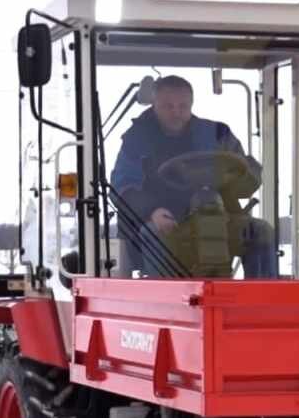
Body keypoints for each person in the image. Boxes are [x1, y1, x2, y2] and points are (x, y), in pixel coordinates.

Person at [110, 75, 277, 278]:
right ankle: (166, 302)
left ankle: (261, 299)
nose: (176, 112)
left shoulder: (218, 133)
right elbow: (123, 185)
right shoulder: (136, 139)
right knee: (153, 233)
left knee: (260, 231)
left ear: (191, 104)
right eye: (168, 106)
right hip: (167, 220)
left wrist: (248, 174)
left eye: (183, 106)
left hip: (218, 216)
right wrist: (152, 210)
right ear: (155, 104)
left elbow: (244, 172)